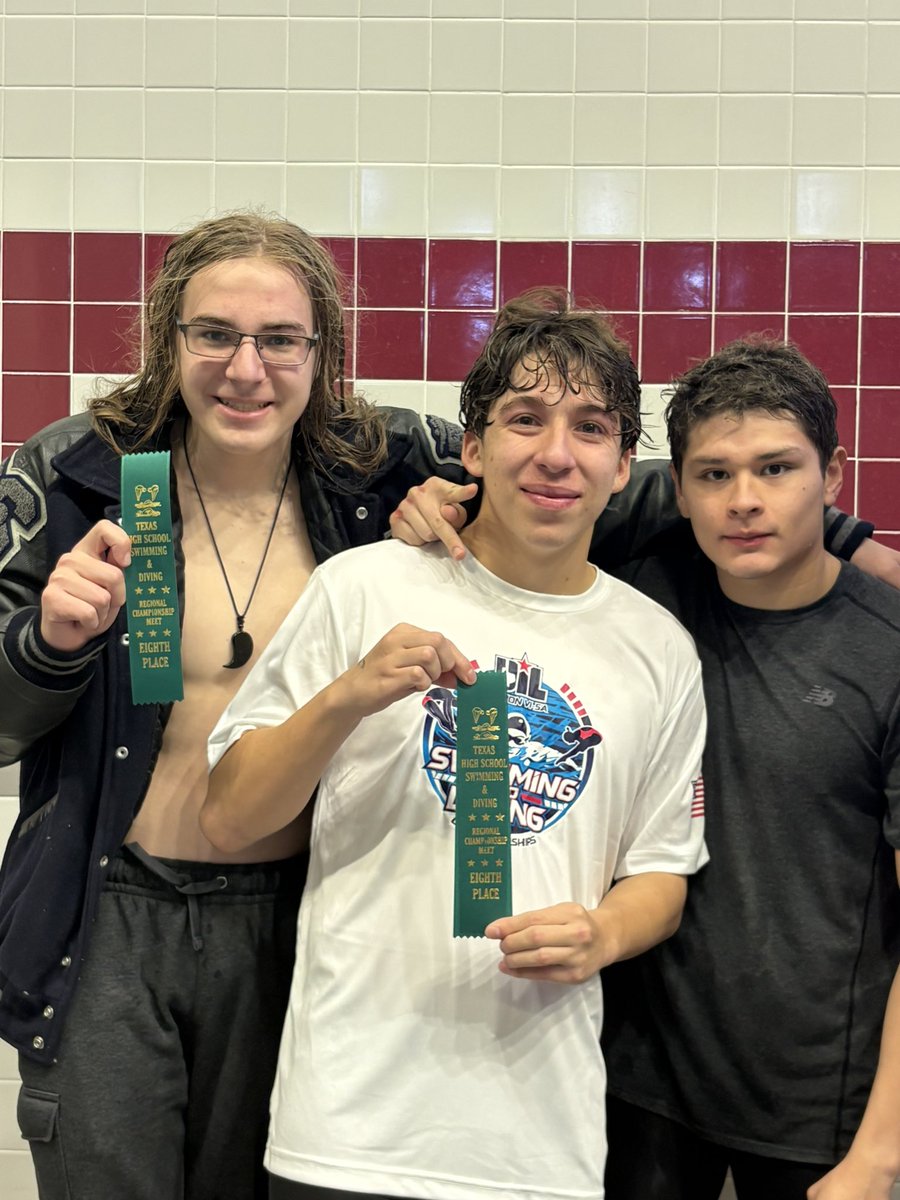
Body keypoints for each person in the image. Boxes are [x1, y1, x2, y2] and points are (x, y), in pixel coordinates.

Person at [0, 211, 472, 1200]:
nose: (245, 370)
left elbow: (578, 482)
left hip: (300, 924)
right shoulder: (79, 477)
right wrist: (49, 643)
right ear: (169, 339)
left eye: (279, 341)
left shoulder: (377, 473)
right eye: (214, 334)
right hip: (108, 916)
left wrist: (833, 534)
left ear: (320, 353)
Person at [202, 289, 709, 1200]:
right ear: (472, 447)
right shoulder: (360, 590)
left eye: (591, 428)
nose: (557, 454)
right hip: (346, 1132)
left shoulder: (659, 650)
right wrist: (348, 696)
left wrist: (600, 933)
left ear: (625, 464)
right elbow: (233, 817)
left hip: (537, 1149)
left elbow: (663, 877)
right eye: (525, 420)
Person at [598, 339, 900, 1200]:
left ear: (834, 476)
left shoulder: (888, 653)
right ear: (678, 484)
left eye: (776, 468)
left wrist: (880, 1157)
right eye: (714, 475)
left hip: (822, 1113)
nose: (745, 502)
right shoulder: (640, 599)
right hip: (641, 1087)